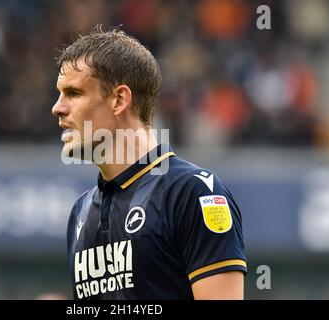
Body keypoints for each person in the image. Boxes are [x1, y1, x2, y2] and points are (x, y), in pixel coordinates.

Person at [51, 26, 247, 300]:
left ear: (119, 99)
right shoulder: (81, 212)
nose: (57, 108)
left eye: (73, 93)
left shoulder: (195, 193)